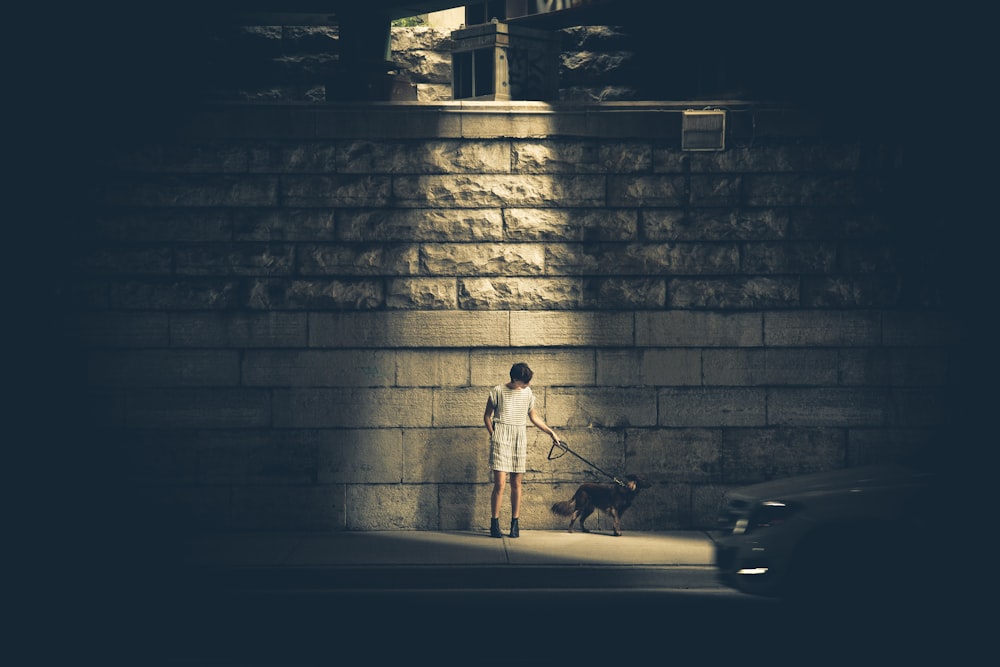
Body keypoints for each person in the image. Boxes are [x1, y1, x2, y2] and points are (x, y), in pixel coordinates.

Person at [483, 362, 560, 538]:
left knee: (517, 483)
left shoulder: (527, 393)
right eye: (525, 382)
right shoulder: (497, 391)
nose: (527, 385)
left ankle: (514, 524)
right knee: (500, 484)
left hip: (519, 437)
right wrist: (493, 434)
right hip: (501, 437)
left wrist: (551, 433)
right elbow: (487, 416)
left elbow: (534, 417)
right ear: (515, 379)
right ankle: (494, 524)